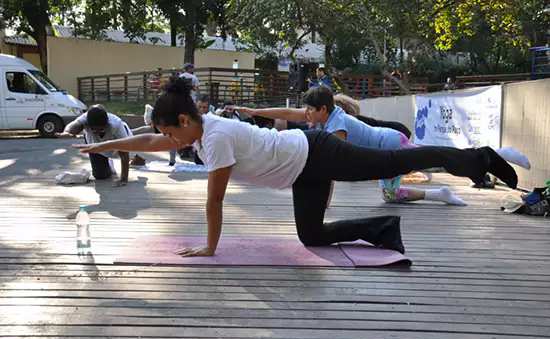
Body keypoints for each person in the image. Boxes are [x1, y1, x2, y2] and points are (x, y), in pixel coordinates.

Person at [73, 77, 518, 257]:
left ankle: (477, 158)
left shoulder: (218, 137)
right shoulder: (199, 131)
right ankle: (385, 229)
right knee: (311, 235)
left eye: (172, 133)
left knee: (393, 160)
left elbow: (214, 202)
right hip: (300, 168)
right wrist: (106, 145)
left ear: (186, 121)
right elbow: (148, 139)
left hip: (316, 151)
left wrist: (210, 249)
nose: (169, 142)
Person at [237, 87, 530, 206]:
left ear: (323, 109)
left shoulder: (336, 127)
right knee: (399, 188)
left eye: (310, 112)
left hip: (389, 148)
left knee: (437, 161)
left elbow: (333, 163)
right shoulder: (326, 115)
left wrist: (323, 199)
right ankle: (444, 191)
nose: (307, 117)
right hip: (386, 147)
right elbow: (289, 114)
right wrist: (255, 112)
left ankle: (494, 155)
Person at [57, 105, 132, 186]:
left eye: (101, 130)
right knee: (100, 176)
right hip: (95, 146)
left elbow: (124, 153)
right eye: (94, 130)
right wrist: (67, 133)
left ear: (107, 124)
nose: (97, 132)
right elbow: (73, 125)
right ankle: (108, 163)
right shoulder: (85, 118)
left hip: (116, 144)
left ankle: (137, 157)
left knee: (134, 151)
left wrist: (124, 179)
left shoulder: (116, 125)